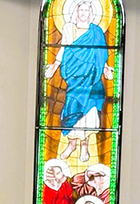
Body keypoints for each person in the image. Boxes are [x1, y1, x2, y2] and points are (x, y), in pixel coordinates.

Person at [44, 0, 113, 162]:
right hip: (75, 76)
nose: (84, 14)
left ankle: (84, 146)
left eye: (87, 11)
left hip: (92, 77)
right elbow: (64, 47)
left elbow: (100, 55)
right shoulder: (69, 28)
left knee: (89, 112)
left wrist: (105, 69)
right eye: (81, 10)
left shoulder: (97, 32)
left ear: (91, 14)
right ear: (76, 12)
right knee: (72, 108)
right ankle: (72, 143)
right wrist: (55, 65)